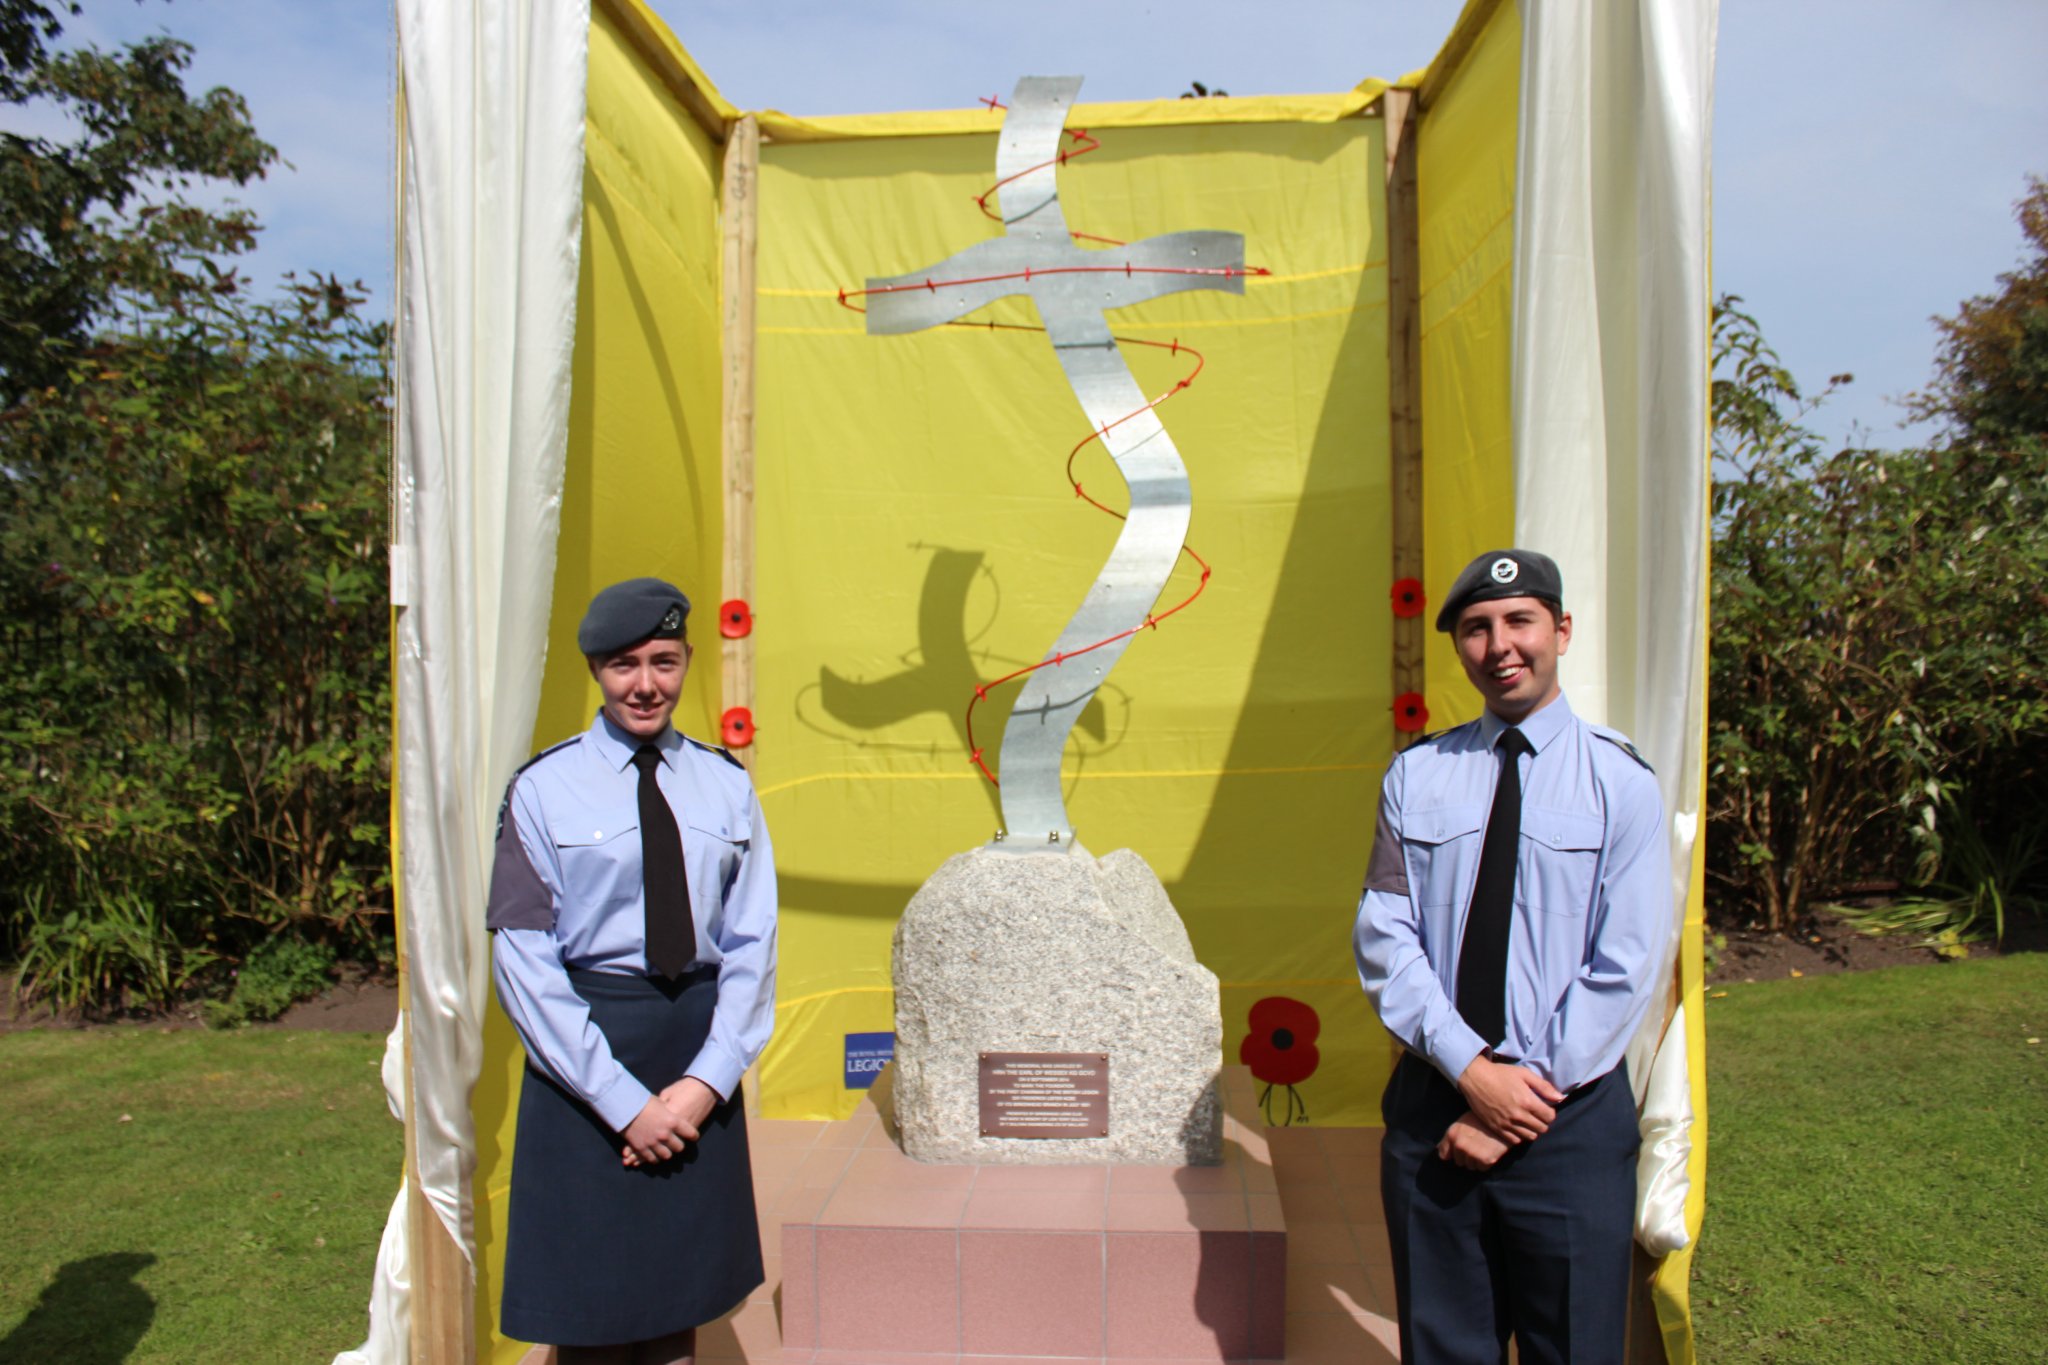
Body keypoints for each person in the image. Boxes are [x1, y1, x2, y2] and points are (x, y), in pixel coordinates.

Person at [1354, 549, 1672, 1365]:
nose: (1501, 644)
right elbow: (1386, 934)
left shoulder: (1621, 781)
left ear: (1560, 630)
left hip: (1568, 1120)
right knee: (1443, 1348)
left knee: (1575, 1348)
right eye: (1476, 628)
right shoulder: (1415, 775)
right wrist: (1472, 1070)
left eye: (1520, 620)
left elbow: (1626, 960)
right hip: (1436, 1108)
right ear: (1460, 646)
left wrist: (1517, 1097)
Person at [486, 577, 777, 1364]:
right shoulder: (541, 790)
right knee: (591, 1315)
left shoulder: (727, 784)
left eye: (665, 660)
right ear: (594, 669)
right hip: (586, 1060)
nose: (646, 684)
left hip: (694, 1058)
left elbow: (752, 943)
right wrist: (623, 1103)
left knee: (680, 1309)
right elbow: (523, 959)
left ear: (686, 663)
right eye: (624, 664)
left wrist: (707, 1081)